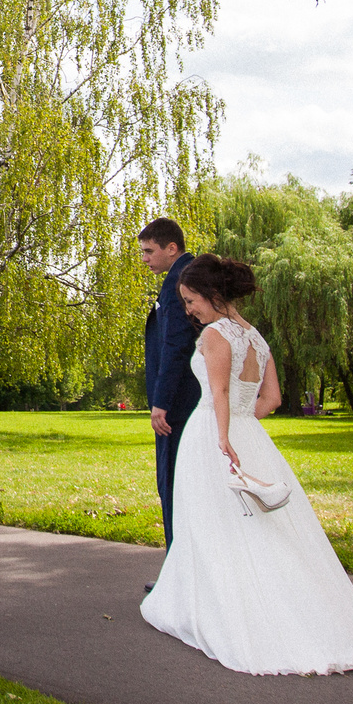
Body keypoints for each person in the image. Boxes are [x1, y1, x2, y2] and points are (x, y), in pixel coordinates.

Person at [141, 254, 353, 676]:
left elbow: (216, 393)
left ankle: (228, 610)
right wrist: (242, 422)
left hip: (215, 437)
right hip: (251, 435)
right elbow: (270, 400)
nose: (188, 309)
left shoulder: (216, 334)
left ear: (213, 295)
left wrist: (222, 437)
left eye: (191, 299)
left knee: (212, 523)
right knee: (262, 527)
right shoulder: (257, 338)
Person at [138, 218, 198, 547]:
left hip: (178, 404)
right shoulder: (184, 276)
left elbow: (175, 347)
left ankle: (178, 575)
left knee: (173, 484)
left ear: (171, 248)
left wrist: (160, 403)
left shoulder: (180, 283)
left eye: (149, 251)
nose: (144, 258)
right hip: (186, 401)